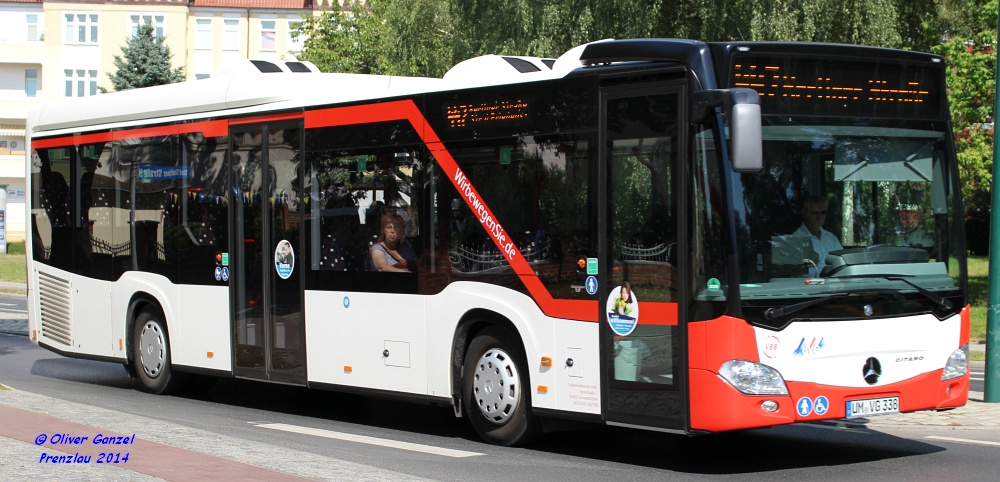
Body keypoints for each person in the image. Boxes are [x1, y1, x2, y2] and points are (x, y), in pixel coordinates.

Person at [792, 195, 843, 276]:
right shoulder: (796, 239)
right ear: (804, 212)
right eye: (815, 212)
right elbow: (795, 273)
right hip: (809, 286)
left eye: (823, 212)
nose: (820, 216)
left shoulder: (831, 238)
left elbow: (842, 263)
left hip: (833, 285)